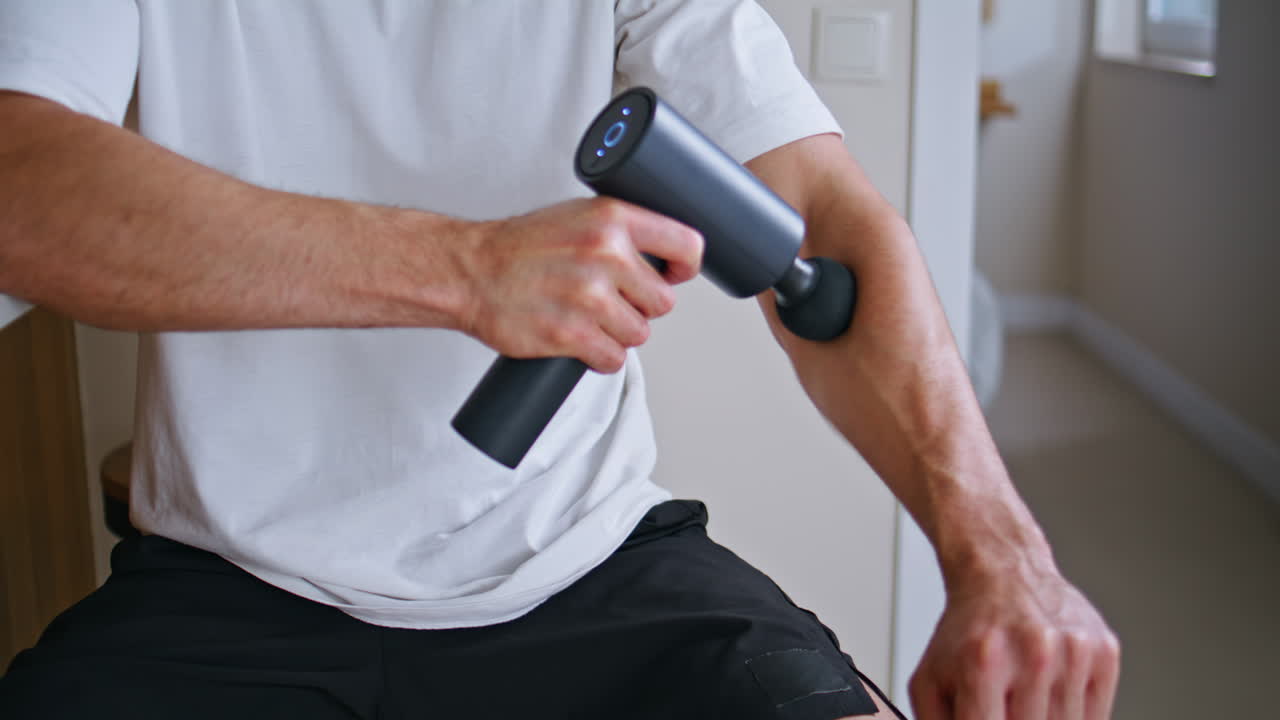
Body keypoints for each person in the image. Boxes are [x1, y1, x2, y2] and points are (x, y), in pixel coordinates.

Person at [0, 2, 1119, 718]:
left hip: (586, 566)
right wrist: (464, 270)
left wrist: (997, 555)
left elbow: (819, 231)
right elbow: (17, 181)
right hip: (230, 587)